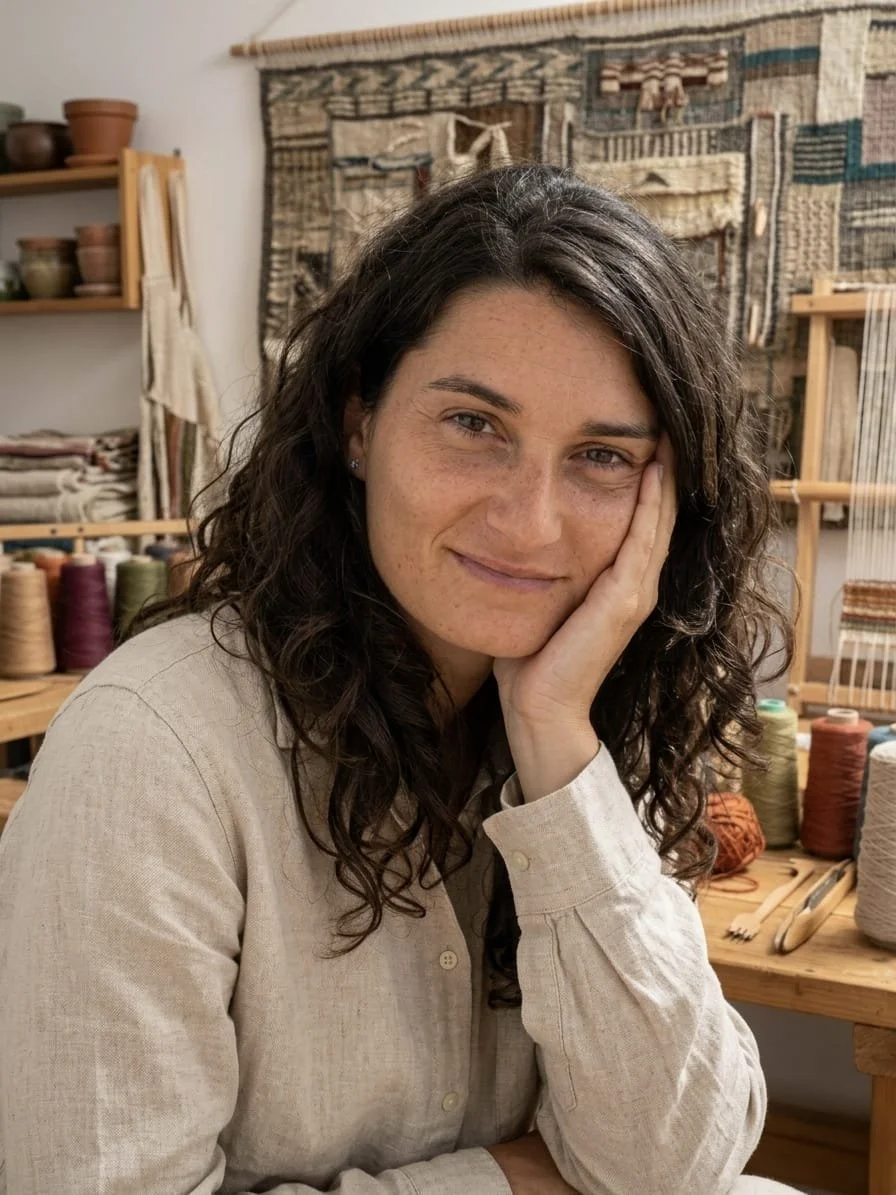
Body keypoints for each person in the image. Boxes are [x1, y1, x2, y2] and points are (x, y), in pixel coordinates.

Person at [0, 164, 799, 1195]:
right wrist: (516, 1181)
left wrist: (555, 735)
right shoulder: (152, 750)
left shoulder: (590, 724)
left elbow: (670, 1162)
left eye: (601, 455)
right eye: (473, 424)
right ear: (358, 423)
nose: (530, 522)